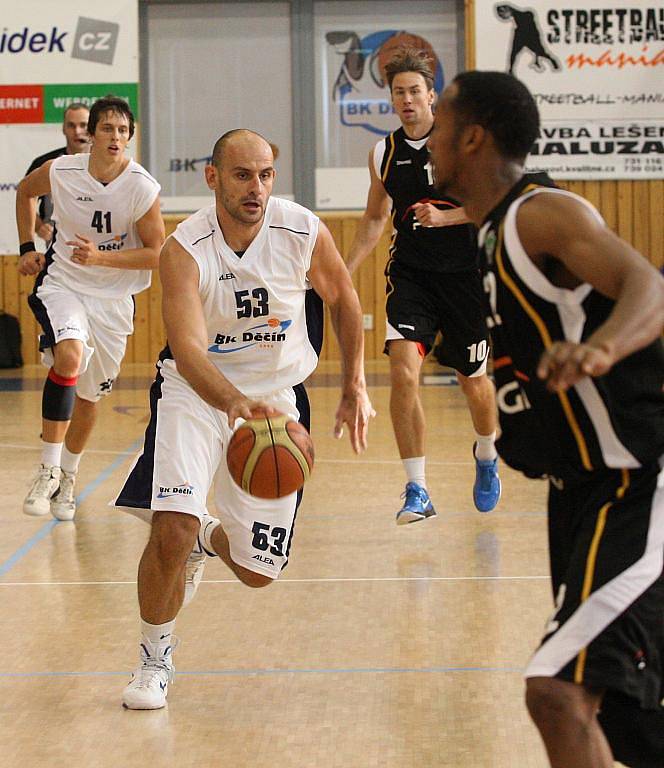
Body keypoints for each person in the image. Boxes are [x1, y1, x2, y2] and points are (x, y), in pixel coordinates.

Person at [427, 70, 664, 768]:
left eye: (439, 122)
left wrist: (601, 349)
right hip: (581, 496)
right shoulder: (487, 234)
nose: (428, 139)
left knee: (556, 691)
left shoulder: (540, 214)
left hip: (637, 482)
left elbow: (649, 283)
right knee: (625, 720)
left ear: (472, 137)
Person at [113, 129, 374, 710]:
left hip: (279, 403)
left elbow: (344, 299)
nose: (256, 188)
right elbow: (187, 351)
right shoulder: (185, 248)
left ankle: (209, 539)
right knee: (170, 528)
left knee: (259, 573)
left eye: (265, 175)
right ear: (213, 178)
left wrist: (354, 380)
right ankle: (155, 658)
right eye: (241, 175)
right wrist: (232, 403)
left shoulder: (302, 229)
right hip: (196, 395)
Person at [345, 47, 500, 524]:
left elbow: (493, 202)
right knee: (402, 373)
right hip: (411, 277)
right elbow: (374, 221)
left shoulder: (462, 144)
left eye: (416, 91)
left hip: (466, 280)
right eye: (399, 92)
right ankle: (417, 488)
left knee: (472, 383)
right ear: (391, 99)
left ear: (432, 95)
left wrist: (447, 215)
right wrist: (343, 274)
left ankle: (487, 453)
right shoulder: (383, 153)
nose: (408, 99)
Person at [16, 95, 165, 522]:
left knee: (90, 396)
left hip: (114, 299)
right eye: (107, 129)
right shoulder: (63, 171)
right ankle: (47, 466)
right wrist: (28, 245)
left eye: (122, 130)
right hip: (65, 284)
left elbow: (157, 252)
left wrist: (102, 258)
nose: (115, 137)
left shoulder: (141, 187)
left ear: (130, 137)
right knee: (69, 353)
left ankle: (68, 477)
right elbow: (25, 192)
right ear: (91, 134)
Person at [24, 103, 91, 245]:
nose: (78, 131)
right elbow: (24, 196)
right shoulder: (46, 164)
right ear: (63, 128)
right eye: (71, 125)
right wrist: (39, 226)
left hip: (100, 250)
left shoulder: (107, 164)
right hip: (56, 252)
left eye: (83, 125)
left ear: (92, 128)